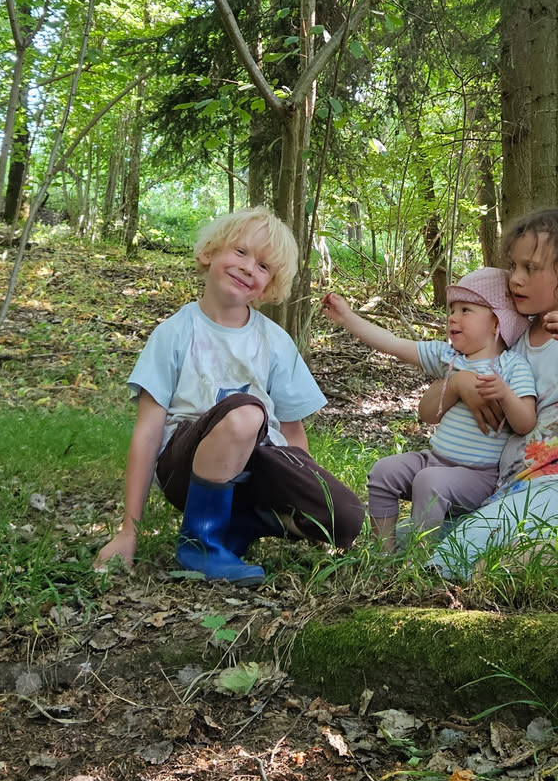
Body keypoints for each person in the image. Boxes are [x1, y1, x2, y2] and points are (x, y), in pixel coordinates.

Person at [94, 206, 363, 584]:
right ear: (209, 253)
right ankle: (200, 543)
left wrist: (297, 491)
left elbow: (292, 433)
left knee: (347, 516)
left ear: (268, 287)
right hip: (185, 469)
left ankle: (238, 529)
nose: (249, 267)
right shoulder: (174, 333)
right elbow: (148, 433)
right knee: (245, 412)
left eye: (263, 266)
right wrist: (128, 530)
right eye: (240, 252)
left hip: (256, 468)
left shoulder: (275, 341)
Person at [427, 207, 558, 576]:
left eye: (531, 268)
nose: (515, 279)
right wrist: (459, 382)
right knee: (414, 537)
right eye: (513, 266)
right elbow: (431, 408)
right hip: (505, 492)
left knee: (450, 556)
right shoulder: (513, 343)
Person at [321, 269, 536, 547]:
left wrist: (505, 395)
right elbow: (393, 344)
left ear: (497, 322)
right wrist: (347, 317)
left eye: (466, 310)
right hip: (434, 460)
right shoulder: (448, 357)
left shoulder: (512, 367)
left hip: (477, 476)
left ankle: (418, 560)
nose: (453, 317)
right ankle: (383, 554)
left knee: (429, 481)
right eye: (452, 310)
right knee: (384, 471)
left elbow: (525, 422)